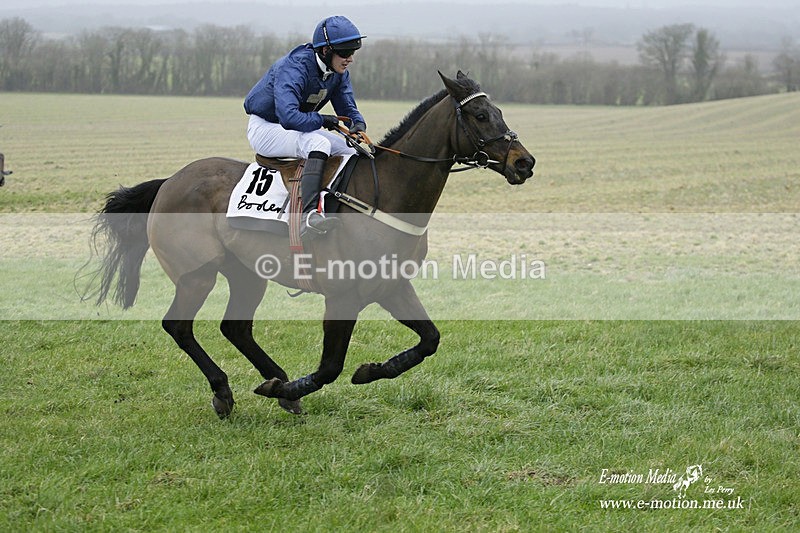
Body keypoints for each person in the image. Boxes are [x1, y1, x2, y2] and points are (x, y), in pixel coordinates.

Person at [244, 15, 367, 237]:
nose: (350, 59)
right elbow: (288, 117)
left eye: (353, 52)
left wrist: (358, 125)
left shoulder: (338, 74)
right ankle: (309, 215)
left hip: (297, 127)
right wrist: (322, 120)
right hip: (265, 128)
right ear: (326, 51)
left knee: (350, 150)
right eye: (345, 53)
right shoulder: (294, 67)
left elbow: (347, 109)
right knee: (318, 141)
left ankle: (340, 206)